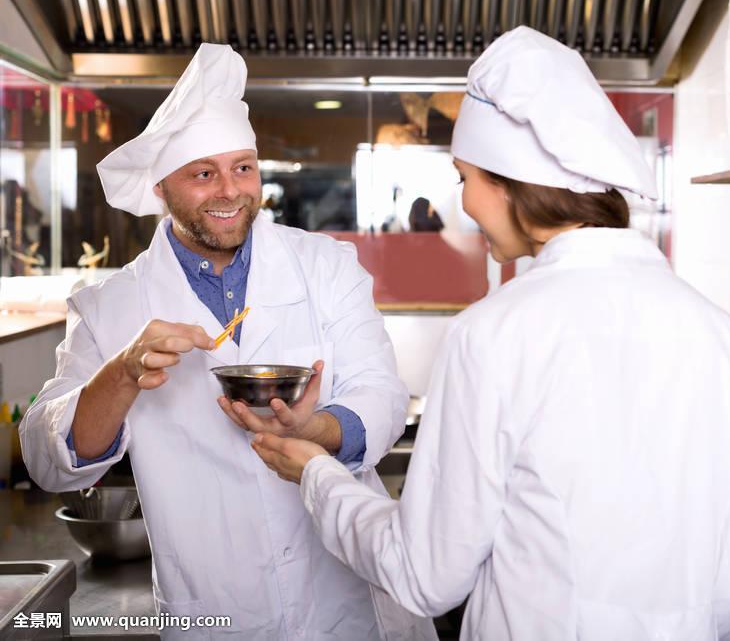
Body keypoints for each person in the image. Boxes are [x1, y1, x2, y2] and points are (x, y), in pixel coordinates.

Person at [251, 27, 730, 640]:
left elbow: (426, 576)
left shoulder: (494, 334)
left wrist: (318, 475)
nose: (466, 204)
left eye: (464, 178)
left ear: (507, 182)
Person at [19, 44, 434, 641]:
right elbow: (47, 461)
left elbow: (383, 396)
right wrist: (123, 373)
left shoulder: (325, 266)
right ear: (162, 187)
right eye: (203, 172)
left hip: (344, 602)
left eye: (243, 167)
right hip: (213, 607)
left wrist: (313, 433)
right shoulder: (112, 306)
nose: (230, 190)